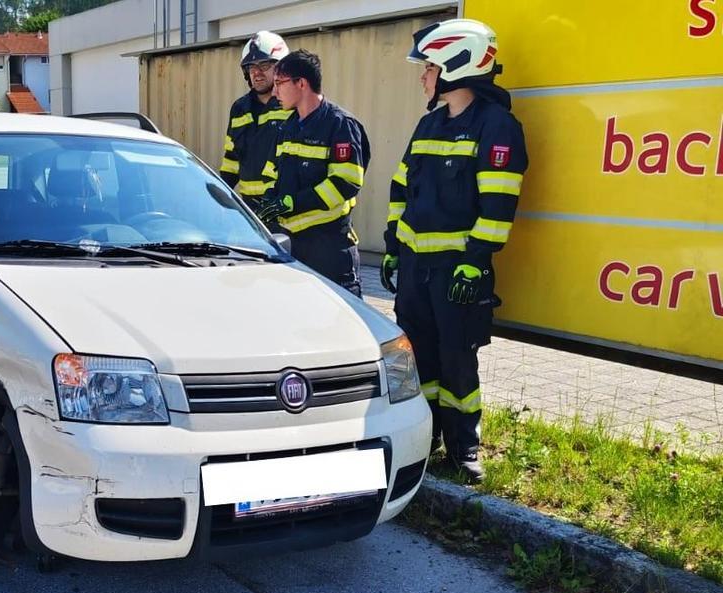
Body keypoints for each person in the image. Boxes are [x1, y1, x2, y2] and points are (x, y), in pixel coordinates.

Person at [380, 18, 528, 482]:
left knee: (458, 360)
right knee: (418, 357)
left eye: (427, 66)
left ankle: (463, 447)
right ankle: (424, 441)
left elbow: (500, 203)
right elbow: (400, 188)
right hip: (415, 268)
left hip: (458, 271)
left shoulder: (497, 127)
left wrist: (475, 261)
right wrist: (391, 247)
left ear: (454, 64)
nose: (423, 76)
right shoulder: (429, 124)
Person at [256, 50, 370, 297]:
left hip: (329, 248)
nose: (275, 92)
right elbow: (271, 173)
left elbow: (346, 182)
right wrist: (268, 201)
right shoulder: (287, 126)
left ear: (302, 83)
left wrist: (291, 203)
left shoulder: (340, 125)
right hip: (291, 247)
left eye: (279, 83)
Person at [219, 31, 292, 207]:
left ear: (281, 68)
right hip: (250, 208)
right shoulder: (239, 109)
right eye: (251, 67)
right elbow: (231, 160)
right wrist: (219, 197)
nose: (257, 73)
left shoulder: (291, 106)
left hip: (283, 204)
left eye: (264, 65)